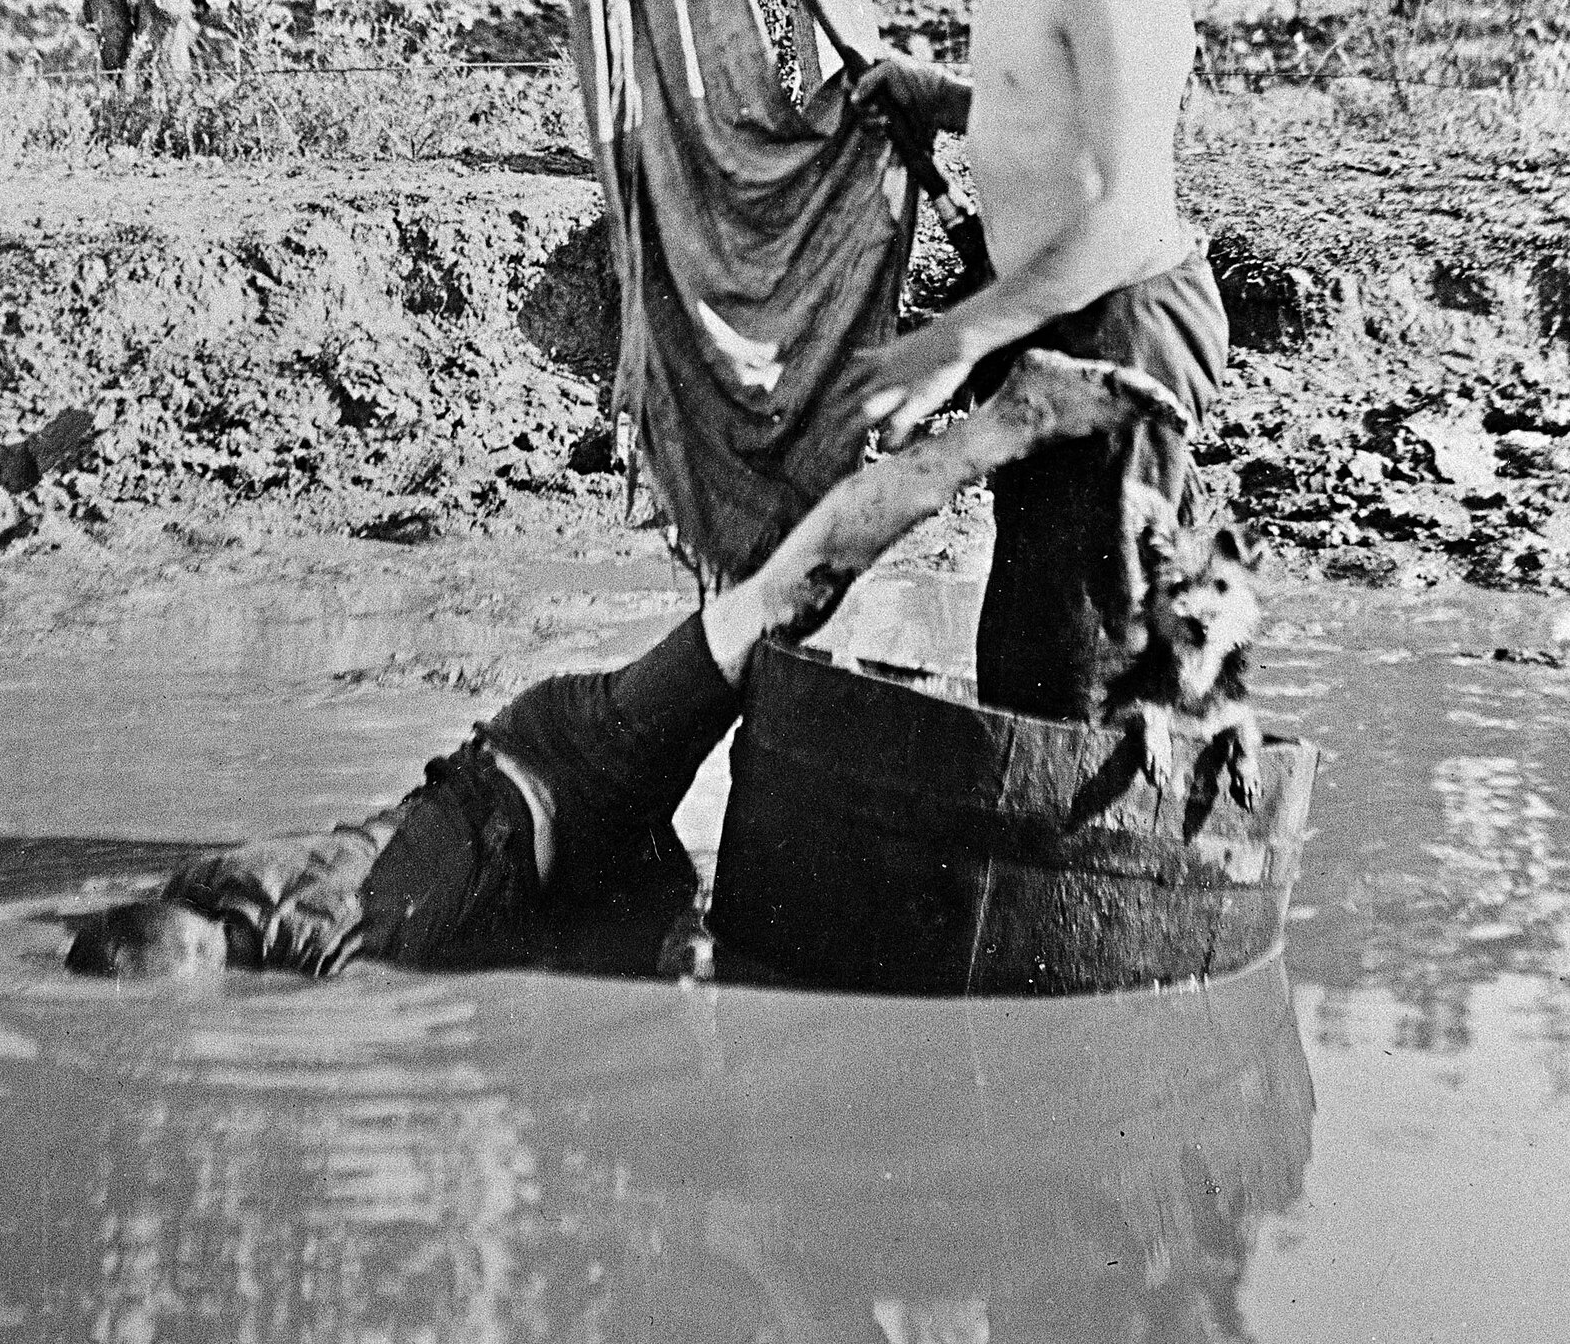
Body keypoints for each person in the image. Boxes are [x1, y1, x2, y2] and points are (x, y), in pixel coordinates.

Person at [66, 347, 1186, 980]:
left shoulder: (309, 944)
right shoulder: (211, 883)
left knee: (787, 598)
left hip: (571, 766)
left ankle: (1008, 419)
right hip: (544, 801)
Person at [853, 0, 1230, 724]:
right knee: (1028, 635)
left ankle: (1102, 826)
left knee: (1086, 657)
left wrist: (953, 340)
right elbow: (1042, 113)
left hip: (1120, 333)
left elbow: (1122, 214)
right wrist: (943, 99)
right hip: (1050, 325)